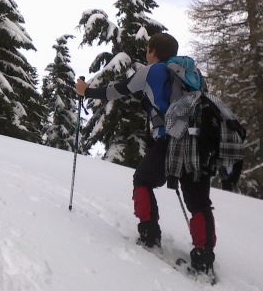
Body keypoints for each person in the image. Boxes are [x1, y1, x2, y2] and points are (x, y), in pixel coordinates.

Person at [75, 32, 216, 273]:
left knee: (142, 180)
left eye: (148, 49)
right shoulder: (192, 74)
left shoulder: (152, 71)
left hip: (170, 141)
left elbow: (117, 90)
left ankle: (149, 234)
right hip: (199, 143)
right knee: (199, 202)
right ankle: (204, 259)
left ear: (152, 52)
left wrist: (86, 91)